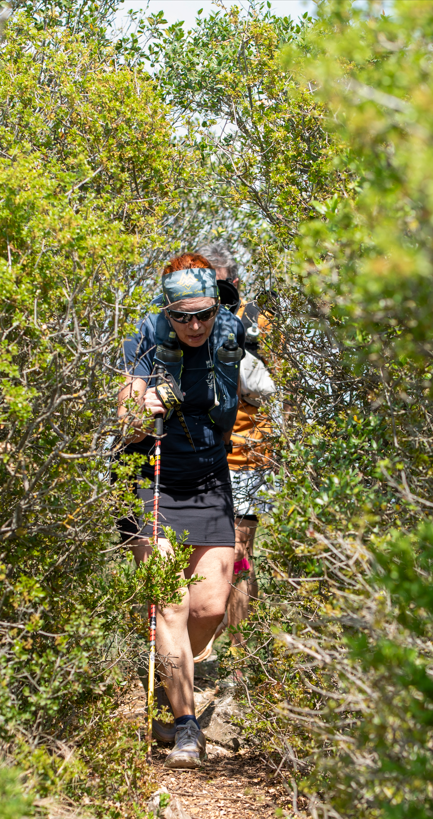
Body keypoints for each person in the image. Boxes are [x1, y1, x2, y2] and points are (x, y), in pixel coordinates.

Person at [117, 253, 247, 768]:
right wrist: (140, 409)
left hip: (210, 476)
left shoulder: (228, 334)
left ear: (216, 306)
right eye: (183, 316)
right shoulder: (145, 338)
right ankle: (186, 724)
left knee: (210, 606)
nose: (194, 326)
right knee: (169, 604)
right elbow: (125, 420)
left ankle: (174, 681)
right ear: (166, 310)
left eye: (203, 314)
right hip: (151, 477)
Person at [194, 243, 279, 654]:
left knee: (240, 555)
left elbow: (272, 386)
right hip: (196, 454)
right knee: (198, 554)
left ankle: (242, 660)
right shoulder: (188, 318)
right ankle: (198, 644)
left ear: (234, 281)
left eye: (217, 282)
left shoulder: (255, 320)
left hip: (244, 455)